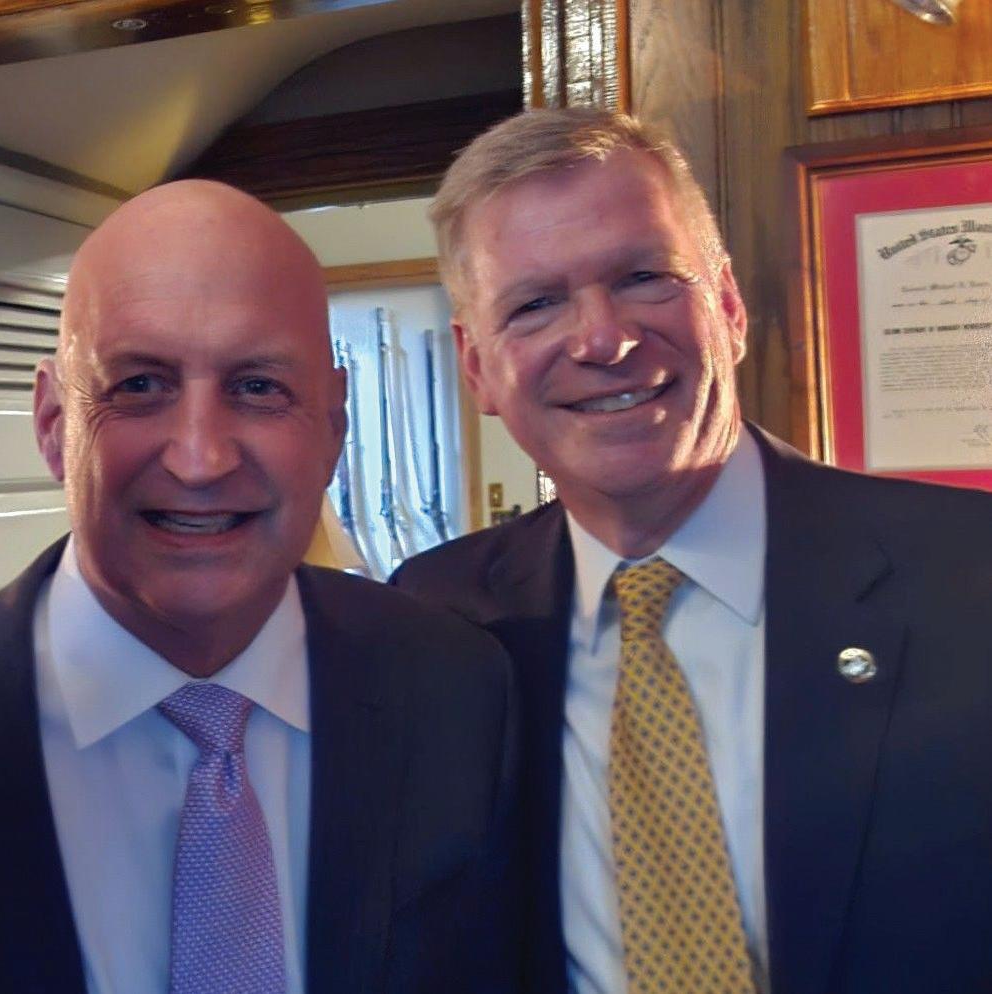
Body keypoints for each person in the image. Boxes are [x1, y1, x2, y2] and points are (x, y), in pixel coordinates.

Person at [0, 179, 525, 994]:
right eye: (139, 385)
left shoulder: (459, 687)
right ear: (52, 423)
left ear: (332, 426)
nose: (199, 459)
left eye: (257, 387)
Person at [392, 106, 992, 994]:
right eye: (534, 304)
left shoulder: (966, 577)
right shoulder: (437, 620)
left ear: (729, 307)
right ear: (476, 366)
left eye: (642, 278)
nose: (602, 339)